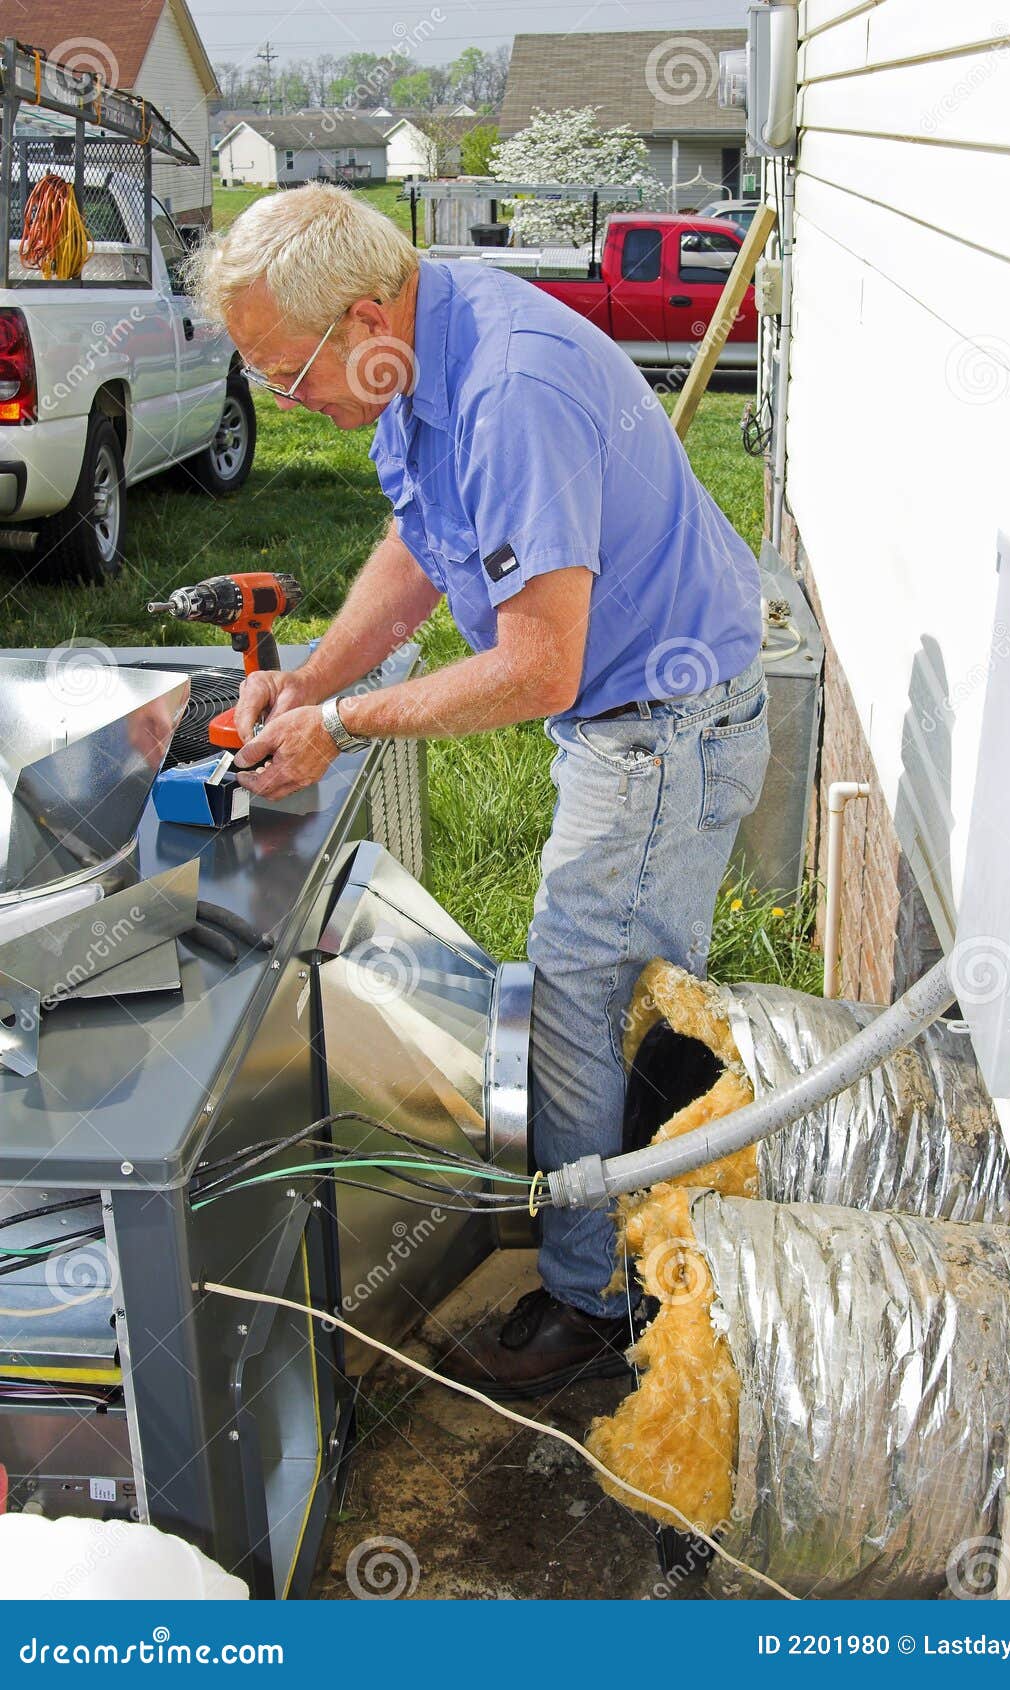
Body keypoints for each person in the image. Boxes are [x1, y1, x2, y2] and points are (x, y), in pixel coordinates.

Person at [188, 185, 769, 1397]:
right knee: (602, 1001)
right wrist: (311, 680)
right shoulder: (420, 355)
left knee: (589, 1014)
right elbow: (419, 545)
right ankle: (638, 1255)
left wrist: (342, 727)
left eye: (288, 377)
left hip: (658, 728)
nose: (292, 403)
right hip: (630, 717)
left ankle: (601, 1309)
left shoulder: (512, 389)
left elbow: (535, 664)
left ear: (359, 317)